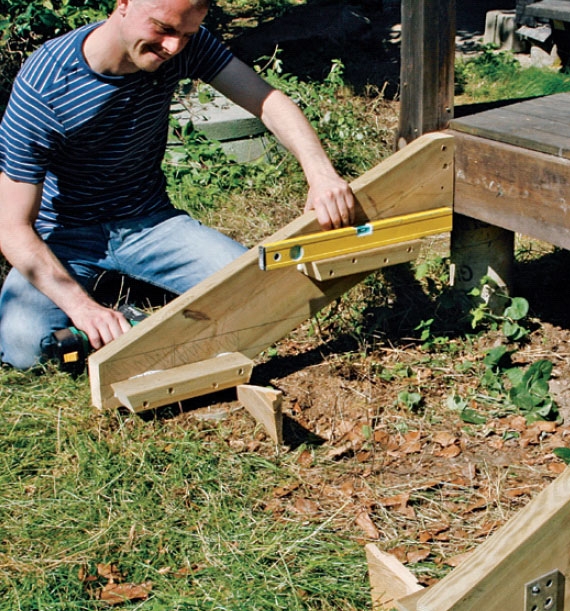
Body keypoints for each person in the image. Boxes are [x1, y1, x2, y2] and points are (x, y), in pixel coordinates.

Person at [0, 0, 356, 369]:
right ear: (123, 4)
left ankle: (132, 288)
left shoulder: (187, 45)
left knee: (262, 293)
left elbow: (267, 101)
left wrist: (321, 174)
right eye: (163, 28)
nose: (173, 47)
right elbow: (11, 228)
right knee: (24, 346)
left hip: (150, 223)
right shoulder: (46, 85)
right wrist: (82, 309)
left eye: (186, 34)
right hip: (66, 237)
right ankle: (107, 293)